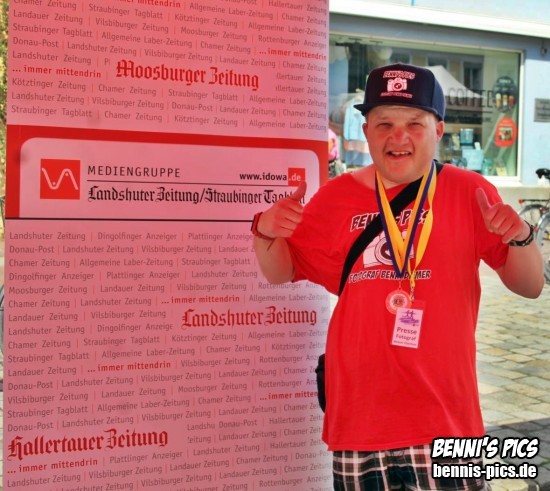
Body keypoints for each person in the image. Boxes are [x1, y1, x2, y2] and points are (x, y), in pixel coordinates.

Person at [251, 63, 544, 490]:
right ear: (366, 131)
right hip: (359, 419)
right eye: (384, 123)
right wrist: (266, 232)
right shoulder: (335, 197)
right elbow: (281, 272)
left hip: (448, 418)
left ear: (438, 130)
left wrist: (520, 237)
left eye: (414, 124)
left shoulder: (470, 192)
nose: (398, 136)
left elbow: (530, 286)